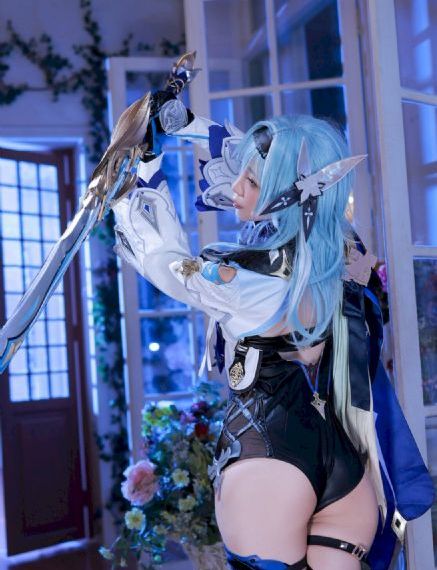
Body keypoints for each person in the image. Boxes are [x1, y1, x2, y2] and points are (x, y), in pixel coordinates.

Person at [110, 92, 433, 570]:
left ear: (285, 192)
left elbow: (164, 259)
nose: (235, 187)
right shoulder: (337, 255)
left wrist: (139, 173)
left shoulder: (246, 281)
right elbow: (279, 162)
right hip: (345, 467)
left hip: (269, 455)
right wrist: (184, 123)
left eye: (253, 181)